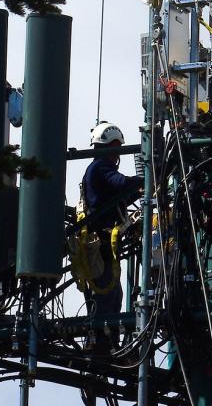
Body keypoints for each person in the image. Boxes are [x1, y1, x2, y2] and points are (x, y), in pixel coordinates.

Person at [80, 121, 142, 353]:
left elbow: (119, 194)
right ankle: (103, 341)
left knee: (111, 291)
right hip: (101, 240)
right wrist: (142, 180)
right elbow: (121, 184)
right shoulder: (101, 168)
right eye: (116, 147)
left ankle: (105, 340)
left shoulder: (96, 170)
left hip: (100, 241)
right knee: (108, 291)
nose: (118, 153)